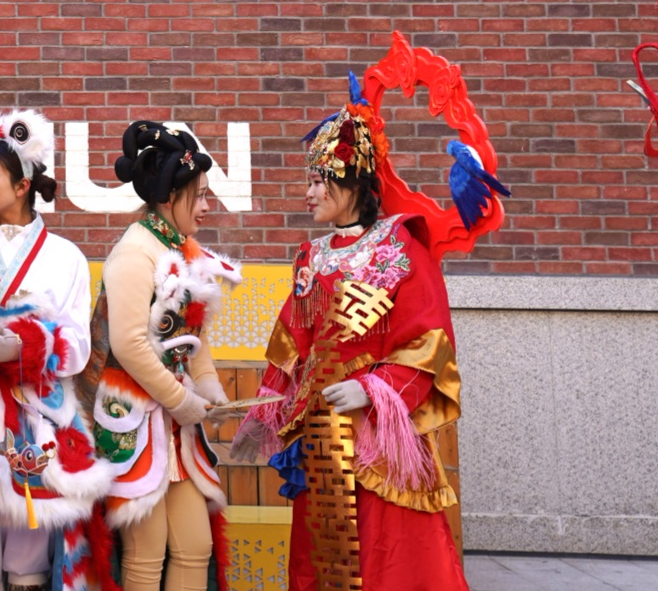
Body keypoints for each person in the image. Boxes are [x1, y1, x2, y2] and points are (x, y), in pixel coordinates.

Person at [234, 38, 510, 591]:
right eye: (310, 180)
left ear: (353, 181)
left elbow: (427, 341)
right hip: (320, 436)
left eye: (319, 180)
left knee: (391, 559)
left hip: (378, 438)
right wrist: (275, 402)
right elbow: (292, 343)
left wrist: (371, 390)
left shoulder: (402, 248)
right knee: (322, 559)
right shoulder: (311, 257)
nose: (309, 192)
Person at [0, 109, 112, 591]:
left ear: (23, 184)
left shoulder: (67, 256)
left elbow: (77, 345)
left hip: (36, 422)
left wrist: (26, 346)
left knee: (31, 562)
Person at [93, 121, 241, 591]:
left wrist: (211, 389)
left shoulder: (183, 249)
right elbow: (129, 345)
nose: (206, 205)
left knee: (196, 545)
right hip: (134, 419)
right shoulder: (134, 252)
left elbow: (195, 337)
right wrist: (182, 401)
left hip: (177, 425)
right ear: (169, 196)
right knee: (146, 551)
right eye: (199, 195)